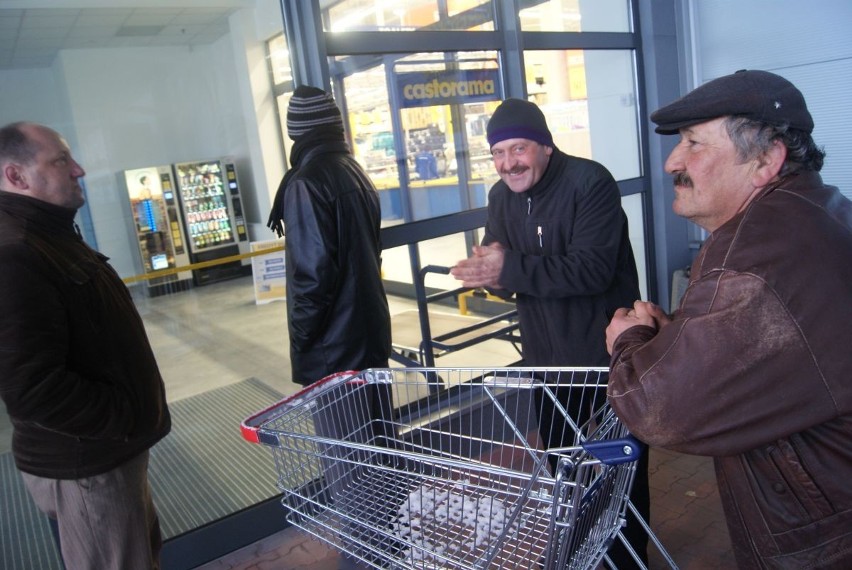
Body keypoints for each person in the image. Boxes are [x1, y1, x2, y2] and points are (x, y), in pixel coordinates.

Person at [606, 69, 852, 569]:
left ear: (764, 161)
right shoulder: (815, 209)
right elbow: (787, 349)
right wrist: (674, 336)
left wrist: (629, 340)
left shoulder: (753, 255)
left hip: (821, 531)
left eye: (694, 143)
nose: (672, 161)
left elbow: (656, 409)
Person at [450, 97, 649, 567]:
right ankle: (580, 544)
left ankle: (628, 554)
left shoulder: (590, 182)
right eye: (497, 154)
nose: (507, 164)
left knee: (623, 463)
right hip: (546, 357)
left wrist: (508, 268)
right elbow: (504, 270)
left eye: (517, 149)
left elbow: (592, 271)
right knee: (562, 462)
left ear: (544, 146)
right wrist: (490, 274)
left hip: (604, 353)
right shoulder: (501, 197)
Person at [0, 121, 171, 568]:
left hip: (106, 454)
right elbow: (32, 388)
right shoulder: (14, 253)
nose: (78, 170)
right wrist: (123, 416)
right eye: (60, 160)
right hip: (88, 467)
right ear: (16, 176)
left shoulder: (46, 235)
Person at [266, 86, 396, 562]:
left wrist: (301, 339)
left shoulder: (307, 181)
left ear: (296, 134)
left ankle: (366, 558)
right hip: (366, 338)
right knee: (380, 455)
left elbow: (311, 275)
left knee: (350, 466)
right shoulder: (352, 170)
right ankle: (388, 548)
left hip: (334, 352)